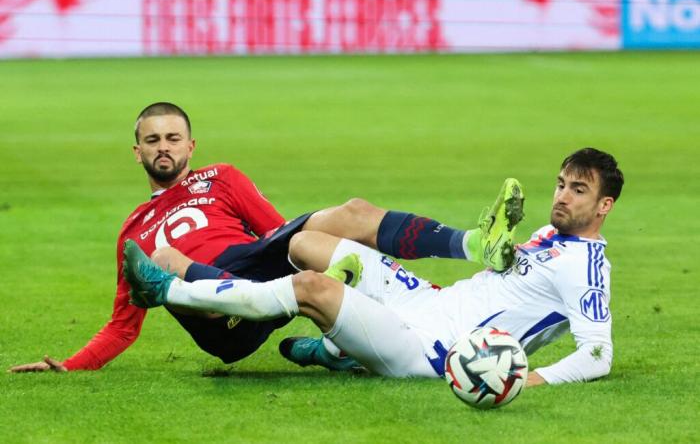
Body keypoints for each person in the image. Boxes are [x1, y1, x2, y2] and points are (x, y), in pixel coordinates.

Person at [9, 101, 520, 373]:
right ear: (136, 151)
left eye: (171, 138)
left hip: (254, 271)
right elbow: (123, 326)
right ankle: (326, 328)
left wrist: (314, 242)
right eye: (151, 141)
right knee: (162, 257)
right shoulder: (133, 230)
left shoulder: (221, 178)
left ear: (191, 144)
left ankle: (476, 244)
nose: (162, 148)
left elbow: (275, 234)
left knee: (335, 223)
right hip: (214, 316)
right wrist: (72, 366)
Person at [123, 148, 623, 385]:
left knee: (311, 286)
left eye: (578, 191)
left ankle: (170, 291)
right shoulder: (546, 237)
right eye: (560, 183)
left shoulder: (586, 268)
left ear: (604, 207)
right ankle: (341, 348)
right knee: (308, 243)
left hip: (431, 350)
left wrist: (530, 380)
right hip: (428, 301)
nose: (561, 196)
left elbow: (597, 355)